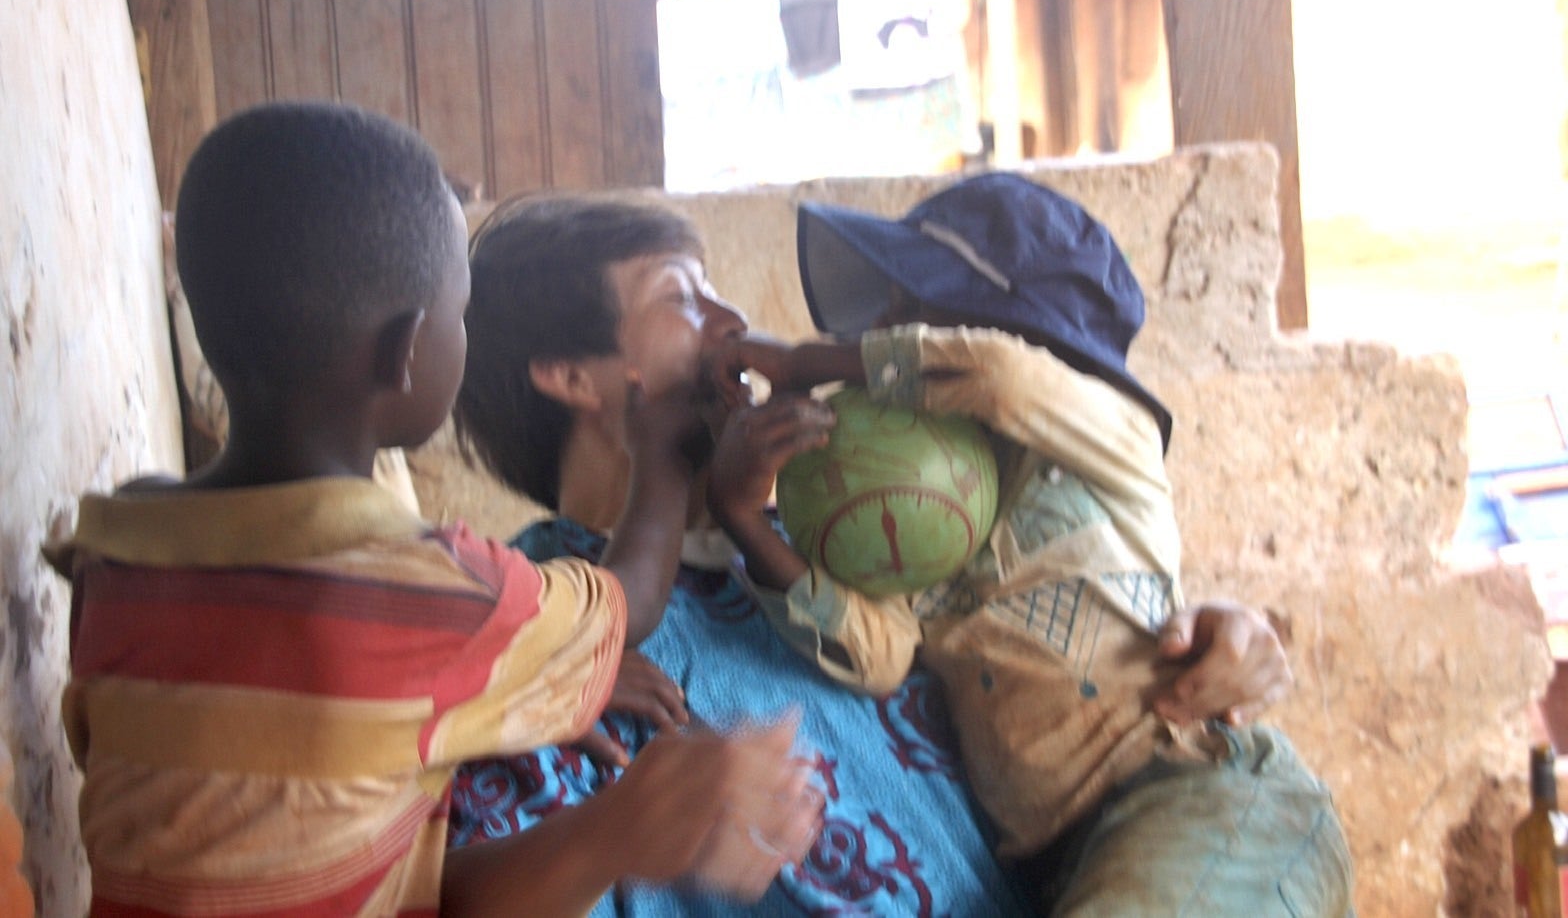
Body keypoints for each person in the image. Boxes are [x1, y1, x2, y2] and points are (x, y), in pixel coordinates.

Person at [46, 101, 821, 917]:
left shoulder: (120, 548)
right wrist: (660, 460)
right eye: (460, 312)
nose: (728, 321)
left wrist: (533, 683)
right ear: (405, 351)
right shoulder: (435, 591)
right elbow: (625, 605)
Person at [709, 172, 1355, 915]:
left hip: (1203, 799)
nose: (886, 324)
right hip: (1069, 858)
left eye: (914, 303)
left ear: (1015, 327)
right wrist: (743, 516)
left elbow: (998, 376)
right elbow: (879, 653)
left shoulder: (1114, 440)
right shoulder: (924, 517)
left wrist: (807, 364)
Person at [449, 193, 1033, 915]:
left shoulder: (839, 545)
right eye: (679, 296)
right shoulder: (531, 631)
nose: (730, 320)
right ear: (570, 377)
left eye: (713, 288)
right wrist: (606, 833)